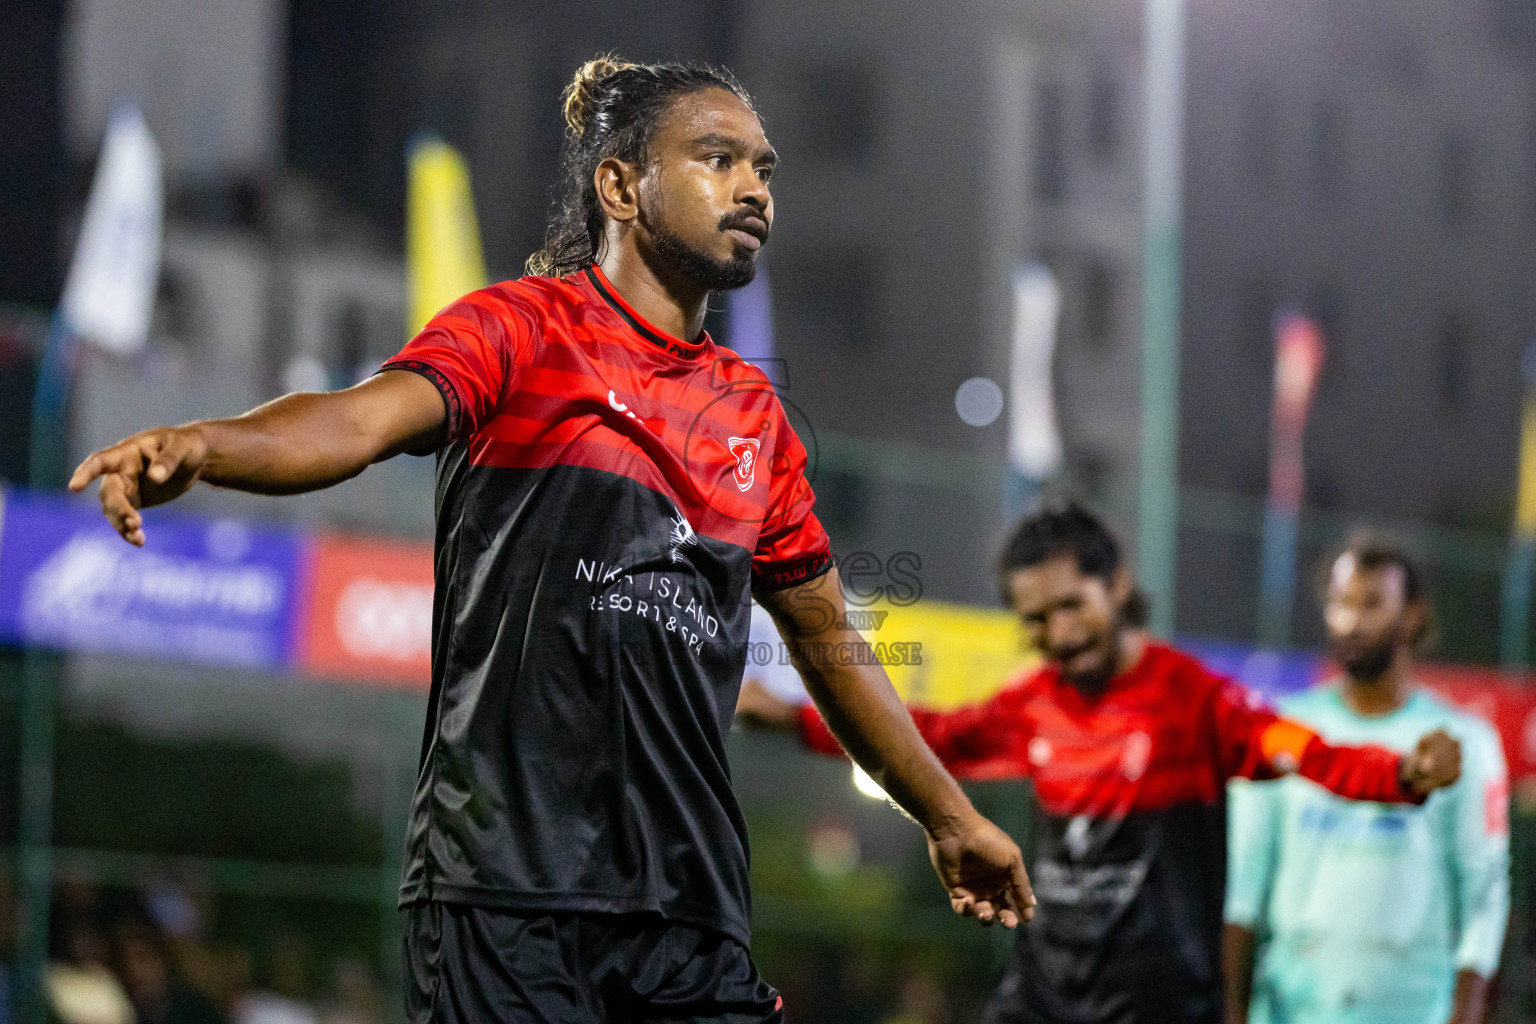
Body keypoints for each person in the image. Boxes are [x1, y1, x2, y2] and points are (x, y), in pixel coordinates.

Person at [69, 56, 1033, 1024]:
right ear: (619, 183)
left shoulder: (752, 414)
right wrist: (205, 443)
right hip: (502, 893)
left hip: (690, 912)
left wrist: (949, 818)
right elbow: (353, 424)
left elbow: (829, 641)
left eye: (764, 169)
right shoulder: (524, 333)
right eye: (717, 158)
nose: (752, 189)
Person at [737, 498, 1463, 1024]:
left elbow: (1307, 753)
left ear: (1115, 585)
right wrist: (789, 719)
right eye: (1036, 620)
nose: (1056, 631)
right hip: (1046, 996)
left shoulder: (1195, 702)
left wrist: (1400, 776)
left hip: (1162, 1005)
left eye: (1070, 605)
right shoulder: (1035, 705)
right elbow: (924, 738)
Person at [1222, 537, 1509, 1024]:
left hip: (1414, 1011)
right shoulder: (1287, 730)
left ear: (1412, 615)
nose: (1352, 621)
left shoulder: (1464, 742)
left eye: (1372, 603)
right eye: (1340, 604)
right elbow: (1243, 884)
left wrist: (1468, 1013)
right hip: (1291, 1010)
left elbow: (1484, 894)